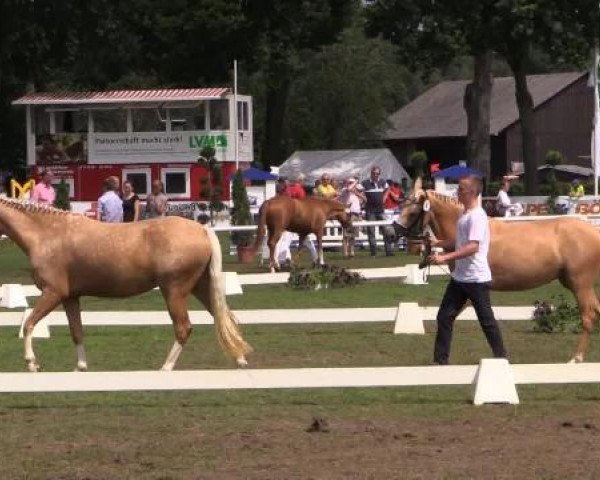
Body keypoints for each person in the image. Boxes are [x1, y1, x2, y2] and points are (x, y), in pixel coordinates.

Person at [428, 175, 508, 365]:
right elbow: (460, 242)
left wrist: (444, 257)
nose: (457, 192)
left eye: (461, 189)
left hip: (476, 279)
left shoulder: (477, 216)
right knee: (444, 316)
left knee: (486, 322)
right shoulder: (465, 215)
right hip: (460, 278)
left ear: (471, 192)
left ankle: (502, 358)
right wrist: (438, 243)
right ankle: (440, 361)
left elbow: (473, 247)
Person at [361, 166, 394, 256]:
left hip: (380, 210)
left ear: (379, 174)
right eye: (374, 173)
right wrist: (363, 197)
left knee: (386, 231)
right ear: (371, 173)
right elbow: (355, 190)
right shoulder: (365, 183)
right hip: (370, 210)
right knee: (371, 232)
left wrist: (384, 197)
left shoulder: (383, 182)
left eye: (377, 173)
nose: (375, 175)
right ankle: (374, 253)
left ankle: (389, 252)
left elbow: (388, 189)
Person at [338, 177, 365, 258]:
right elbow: (349, 188)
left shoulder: (356, 192)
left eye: (352, 182)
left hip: (356, 214)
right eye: (349, 182)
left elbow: (364, 200)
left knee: (353, 235)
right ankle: (345, 253)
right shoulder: (344, 190)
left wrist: (358, 194)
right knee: (346, 235)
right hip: (348, 214)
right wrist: (356, 181)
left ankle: (352, 252)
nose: (351, 184)